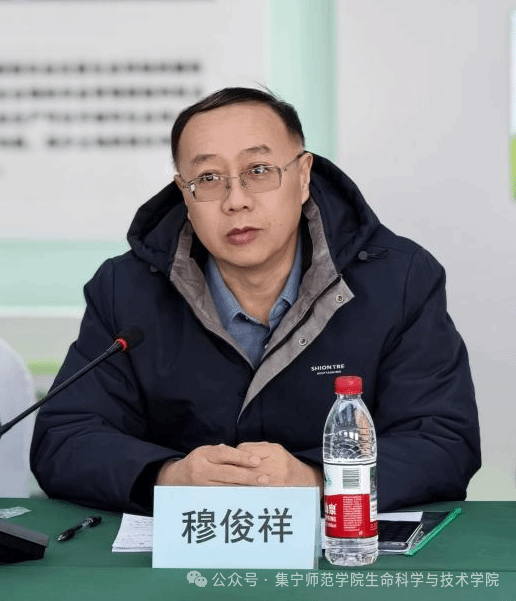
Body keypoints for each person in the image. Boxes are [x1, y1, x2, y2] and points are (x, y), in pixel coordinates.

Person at [30, 87, 481, 515]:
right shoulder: (126, 289)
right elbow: (64, 439)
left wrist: (315, 480)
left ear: (302, 176)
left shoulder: (398, 280)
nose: (236, 201)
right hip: (188, 549)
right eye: (208, 178)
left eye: (259, 171)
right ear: (184, 193)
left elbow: (443, 441)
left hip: (343, 551)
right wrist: (169, 477)